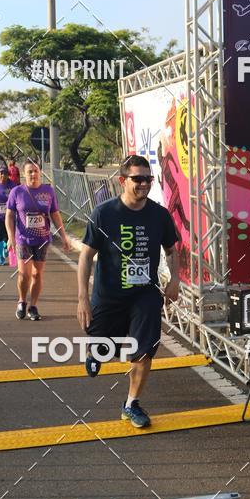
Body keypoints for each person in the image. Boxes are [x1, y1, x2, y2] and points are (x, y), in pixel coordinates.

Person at [76, 155, 180, 429]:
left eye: (148, 179)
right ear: (123, 181)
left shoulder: (159, 215)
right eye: (138, 179)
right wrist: (83, 299)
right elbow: (86, 256)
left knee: (144, 350)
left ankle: (131, 404)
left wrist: (175, 280)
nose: (144, 184)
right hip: (109, 294)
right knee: (104, 345)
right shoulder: (104, 213)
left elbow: (171, 250)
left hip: (144, 294)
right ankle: (96, 352)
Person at [5, 161, 70, 320]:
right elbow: (9, 216)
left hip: (42, 239)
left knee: (37, 274)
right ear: (24, 174)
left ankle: (33, 306)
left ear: (40, 172)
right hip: (23, 239)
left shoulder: (48, 191)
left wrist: (64, 236)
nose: (33, 174)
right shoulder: (16, 192)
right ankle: (22, 301)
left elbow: (55, 214)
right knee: (24, 274)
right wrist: (10, 237)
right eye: (29, 172)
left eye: (35, 171)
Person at [0, 165, 13, 265]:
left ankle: (6, 247)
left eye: (5, 173)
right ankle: (1, 258)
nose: (2, 175)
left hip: (11, 217)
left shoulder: (13, 186)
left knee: (8, 237)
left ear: (8, 175)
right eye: (0, 173)